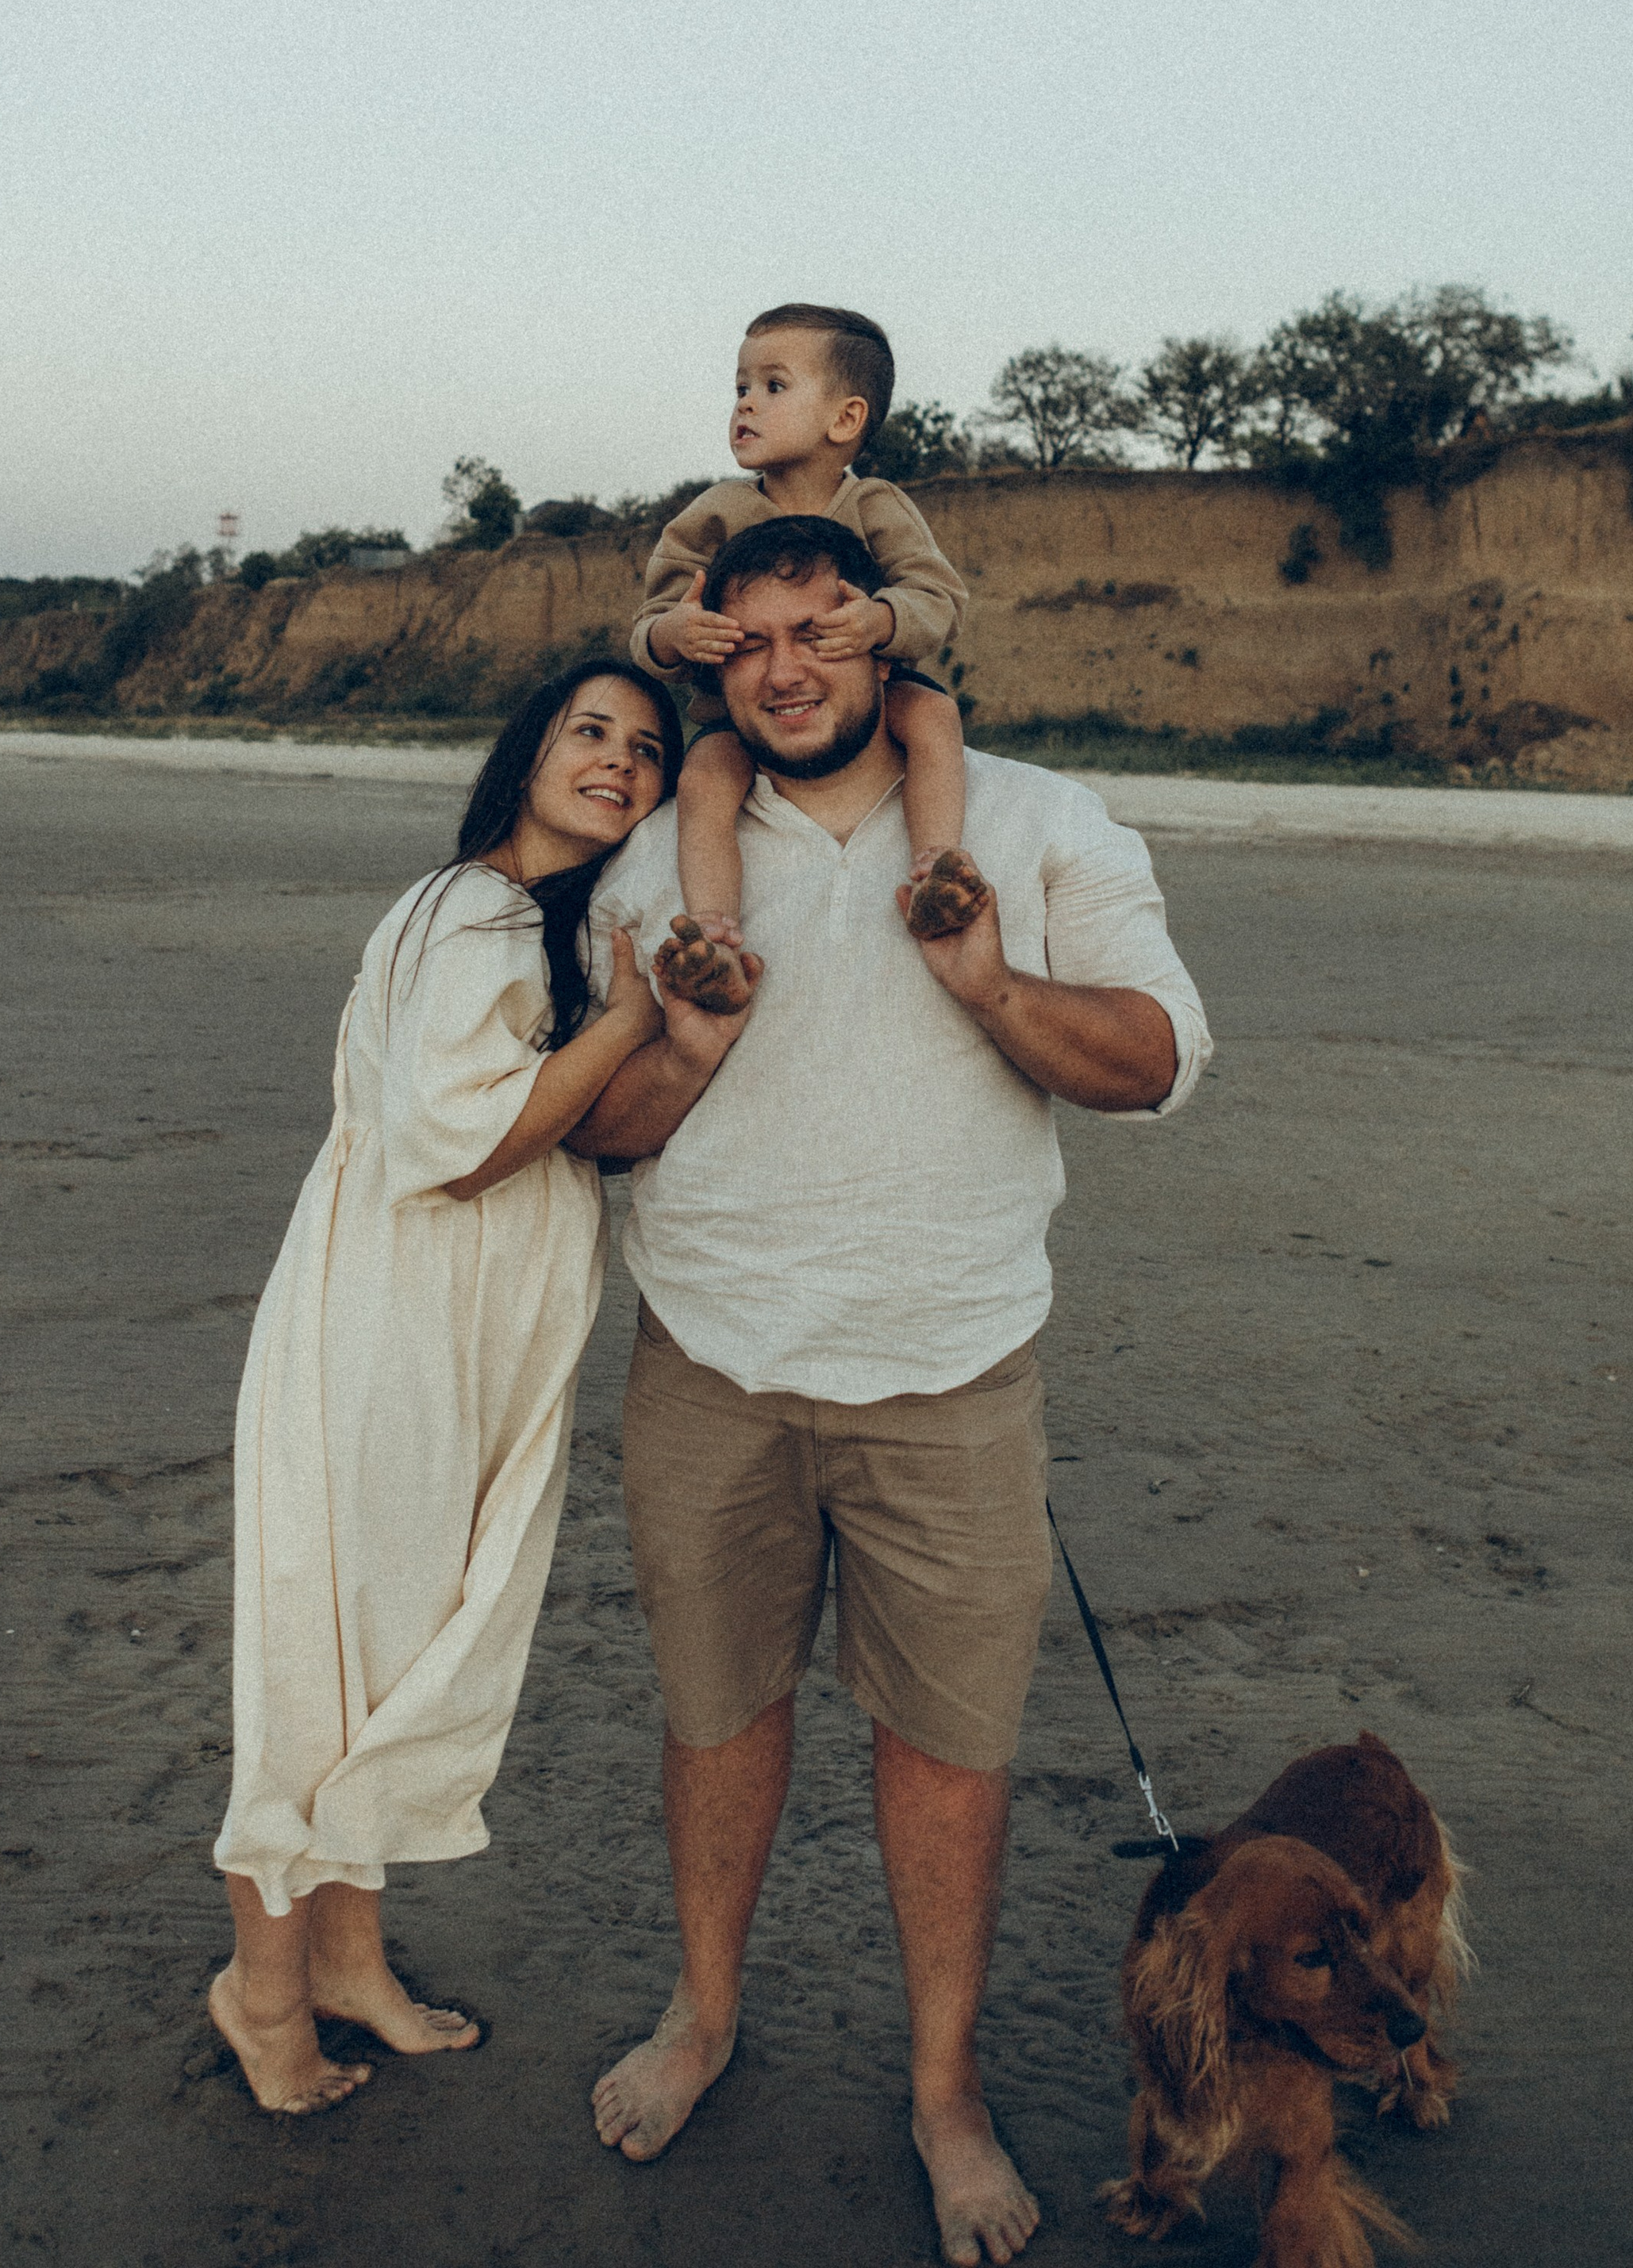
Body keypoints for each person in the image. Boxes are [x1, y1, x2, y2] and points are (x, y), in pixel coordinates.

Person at [577, 518, 1212, 2268]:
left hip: (951, 1374)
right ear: (711, 651)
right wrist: (687, 1045)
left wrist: (988, 980)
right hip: (709, 1359)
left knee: (946, 1757)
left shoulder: (1032, 822)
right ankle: (702, 2017)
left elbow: (1156, 1059)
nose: (784, 666)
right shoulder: (653, 864)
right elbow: (600, 1134)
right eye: (749, 636)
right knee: (716, 1721)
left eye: (818, 632)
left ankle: (943, 2089)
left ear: (885, 644)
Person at [208, 661, 750, 2116]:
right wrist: (631, 1023)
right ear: (525, 756)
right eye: (590, 733)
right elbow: (464, 1147)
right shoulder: (471, 914)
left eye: (646, 749)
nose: (621, 764)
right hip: (393, 1334)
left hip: (452, 1336)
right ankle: (264, 1995)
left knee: (391, 1638)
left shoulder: (530, 927)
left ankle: (349, 1962)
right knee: (330, 1658)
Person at [632, 301, 976, 1008]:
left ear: (845, 419)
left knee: (936, 721)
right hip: (743, 715)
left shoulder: (876, 505)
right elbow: (651, 620)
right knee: (704, 780)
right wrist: (677, 634)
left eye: (773, 386)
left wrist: (881, 620)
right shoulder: (717, 512)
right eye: (740, 389)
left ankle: (936, 869)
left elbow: (937, 596)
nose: (746, 405)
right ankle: (715, 933)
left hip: (869, 694)